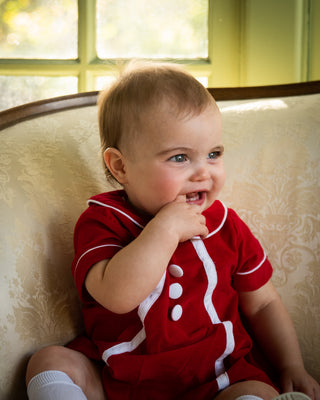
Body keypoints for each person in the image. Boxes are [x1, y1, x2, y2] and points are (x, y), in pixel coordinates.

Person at [26, 61, 320, 400]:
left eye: (213, 154)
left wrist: (290, 365)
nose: (202, 173)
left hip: (218, 377)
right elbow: (116, 295)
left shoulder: (225, 224)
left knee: (255, 392)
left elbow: (264, 303)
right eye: (180, 158)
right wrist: (164, 229)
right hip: (119, 378)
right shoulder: (103, 220)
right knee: (49, 361)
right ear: (120, 166)